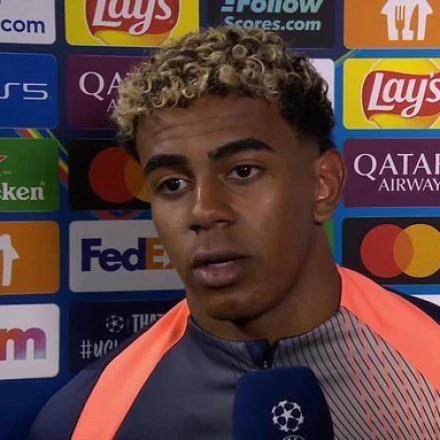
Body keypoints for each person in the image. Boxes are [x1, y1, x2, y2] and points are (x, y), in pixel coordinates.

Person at [29, 26, 440, 440]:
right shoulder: (83, 421)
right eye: (172, 184)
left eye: (243, 171)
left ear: (323, 184)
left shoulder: (431, 352)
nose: (203, 211)